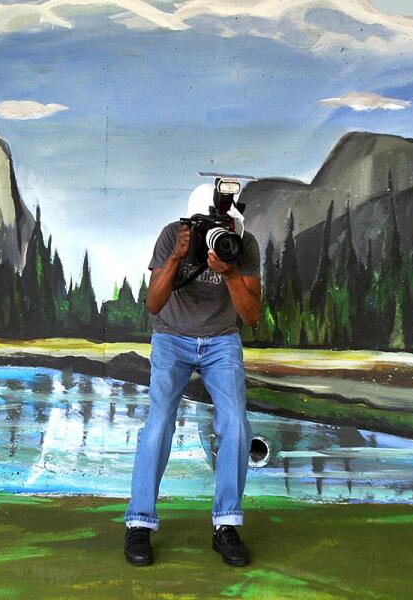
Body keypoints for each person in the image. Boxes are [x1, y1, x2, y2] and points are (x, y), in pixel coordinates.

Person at [123, 184, 262, 567]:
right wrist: (177, 256)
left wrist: (231, 273)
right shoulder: (172, 235)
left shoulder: (242, 245)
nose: (224, 234)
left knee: (235, 422)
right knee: (159, 421)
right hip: (172, 336)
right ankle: (139, 522)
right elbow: (153, 303)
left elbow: (251, 316)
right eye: (215, 227)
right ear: (193, 222)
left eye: (229, 226)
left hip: (221, 339)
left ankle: (226, 525)